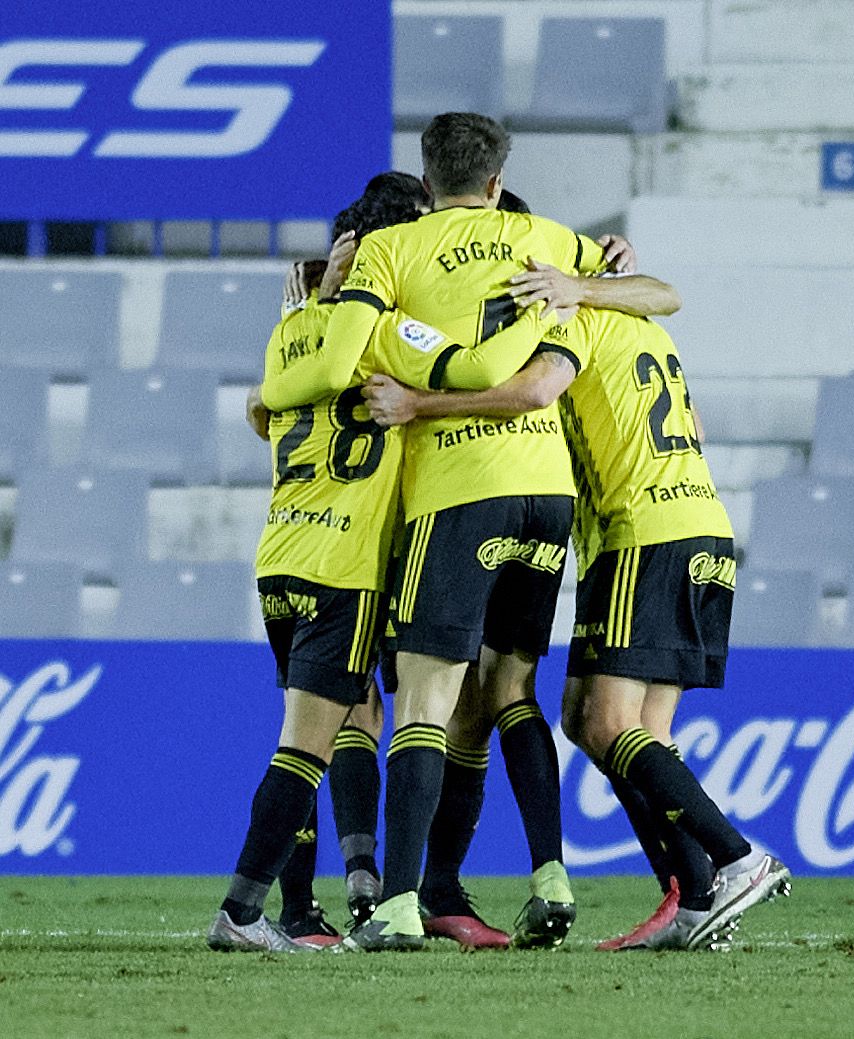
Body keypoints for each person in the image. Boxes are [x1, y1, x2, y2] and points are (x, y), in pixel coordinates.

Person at [265, 110, 645, 952]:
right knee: (508, 690)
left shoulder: (393, 254)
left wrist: (324, 308)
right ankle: (547, 874)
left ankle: (391, 896)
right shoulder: (541, 241)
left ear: (428, 186)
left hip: (448, 496)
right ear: (499, 182)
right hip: (547, 496)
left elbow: (298, 384)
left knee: (412, 705)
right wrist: (602, 268)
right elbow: (655, 286)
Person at [363, 287, 792, 952]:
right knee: (614, 723)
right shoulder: (645, 327)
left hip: (641, 532)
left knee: (606, 721)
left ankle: (734, 859)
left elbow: (536, 391)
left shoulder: (576, 320)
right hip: (702, 523)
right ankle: (693, 896)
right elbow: (691, 407)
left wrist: (420, 404)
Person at [208, 186, 428, 953]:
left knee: (322, 730)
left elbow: (259, 409)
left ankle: (302, 912)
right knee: (307, 745)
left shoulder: (292, 331)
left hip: (280, 558)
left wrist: (322, 297)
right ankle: (243, 910)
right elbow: (469, 367)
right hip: (346, 565)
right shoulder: (392, 335)